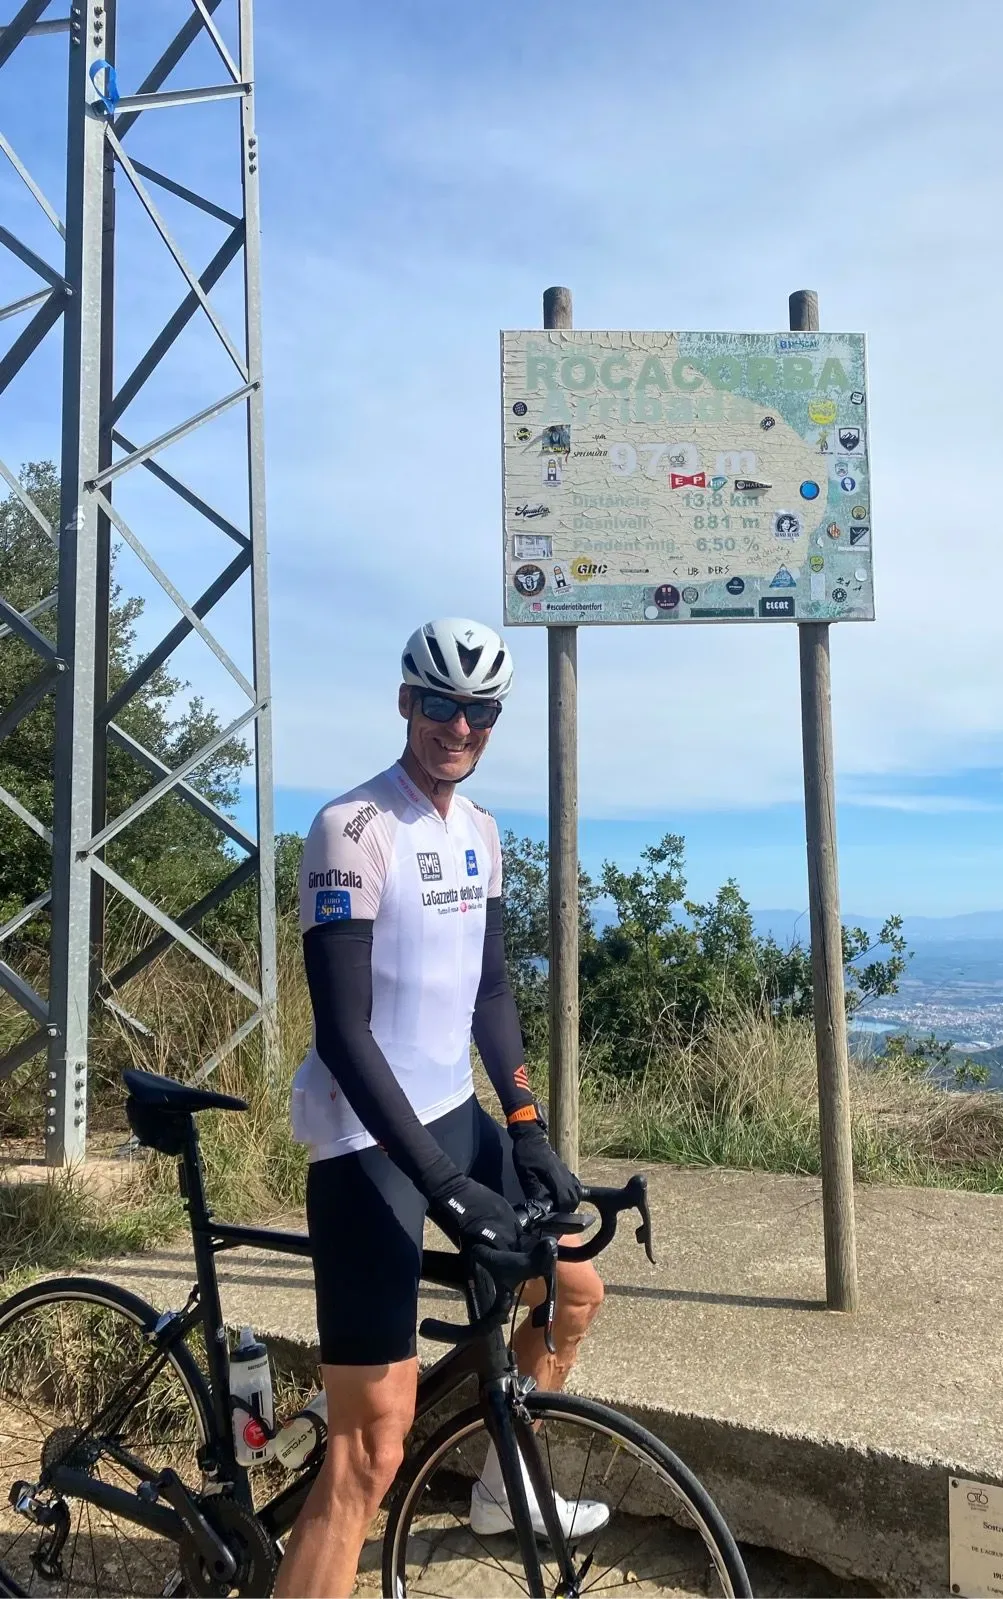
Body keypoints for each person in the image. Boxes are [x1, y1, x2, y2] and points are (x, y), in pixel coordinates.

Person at [275, 617, 606, 1599]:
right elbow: (344, 1032)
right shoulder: (352, 828)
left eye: (479, 712)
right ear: (405, 702)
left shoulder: (484, 834)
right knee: (369, 1450)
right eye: (439, 704)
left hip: (455, 1113)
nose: (457, 726)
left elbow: (491, 994)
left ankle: (505, 1488)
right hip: (365, 1140)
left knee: (573, 1290)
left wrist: (527, 1127)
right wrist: (444, 1184)